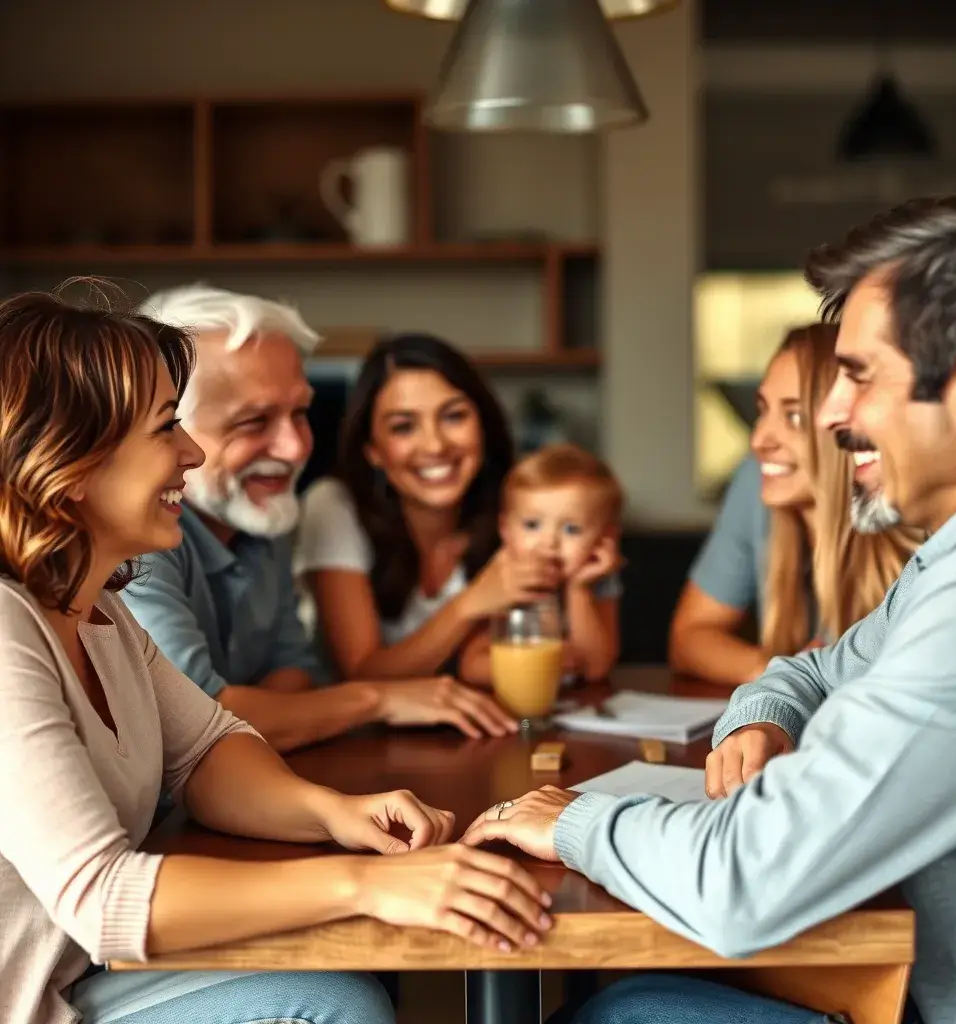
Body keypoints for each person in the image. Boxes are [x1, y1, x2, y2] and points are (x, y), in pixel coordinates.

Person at [458, 194, 956, 1024]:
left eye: (859, 376)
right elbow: (812, 669)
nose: (835, 414)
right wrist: (763, 722)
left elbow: (741, 881)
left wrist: (577, 820)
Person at [0, 290, 553, 1024]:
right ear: (70, 462)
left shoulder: (98, 610)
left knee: (340, 994)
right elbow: (104, 898)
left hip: (68, 977)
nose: (190, 453)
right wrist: (361, 884)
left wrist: (334, 814)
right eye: (168, 428)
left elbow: (207, 747)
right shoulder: (8, 630)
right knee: (336, 1005)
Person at [123, 287, 515, 752]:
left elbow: (297, 674)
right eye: (253, 421)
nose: (295, 449)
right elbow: (195, 722)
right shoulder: (136, 539)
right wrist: (376, 700)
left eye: (301, 412)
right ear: (169, 427)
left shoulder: (261, 519)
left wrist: (260, 711)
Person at [296, 333, 565, 682]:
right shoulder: (333, 504)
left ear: (482, 424)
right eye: (404, 427)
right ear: (373, 450)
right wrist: (472, 603)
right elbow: (363, 673)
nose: (435, 445)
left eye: (453, 416)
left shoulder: (520, 508)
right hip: (358, 734)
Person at [670, 322, 918, 686]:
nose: (759, 440)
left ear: (847, 423)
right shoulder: (758, 479)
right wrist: (780, 675)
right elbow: (688, 637)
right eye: (763, 410)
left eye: (794, 416)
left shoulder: (915, 528)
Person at [458, 444, 622, 685]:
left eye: (571, 529)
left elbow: (595, 668)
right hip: (518, 711)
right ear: (506, 530)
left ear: (605, 538)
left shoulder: (599, 580)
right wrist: (536, 665)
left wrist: (579, 591)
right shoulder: (504, 579)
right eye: (532, 525)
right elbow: (472, 666)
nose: (549, 542)